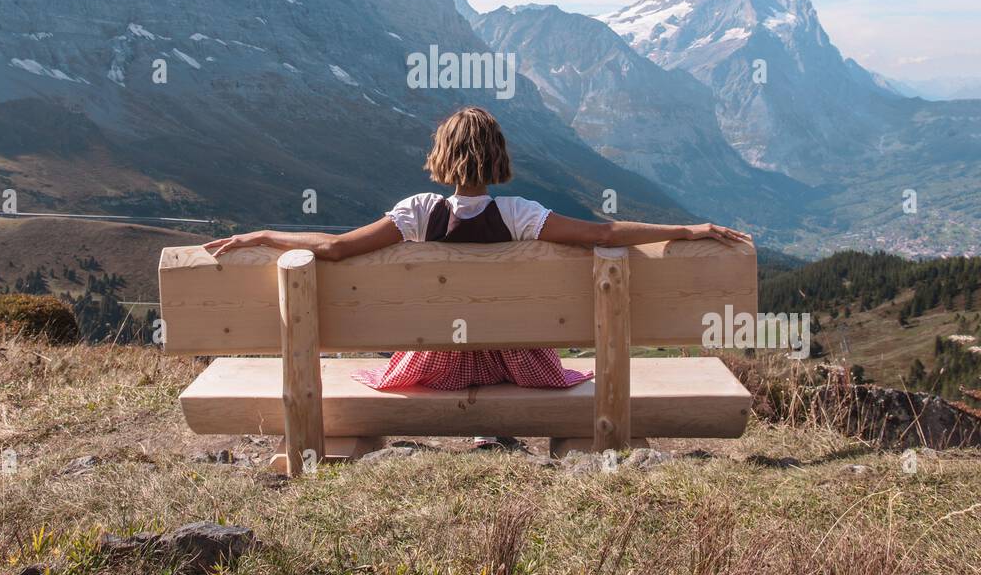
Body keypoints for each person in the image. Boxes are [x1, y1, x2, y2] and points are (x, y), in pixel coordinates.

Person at [204, 106, 752, 406]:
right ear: (499, 158)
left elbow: (336, 249)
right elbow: (602, 231)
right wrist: (684, 227)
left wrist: (267, 236)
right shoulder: (520, 214)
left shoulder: (417, 212)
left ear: (441, 156)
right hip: (521, 363)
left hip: (433, 363)